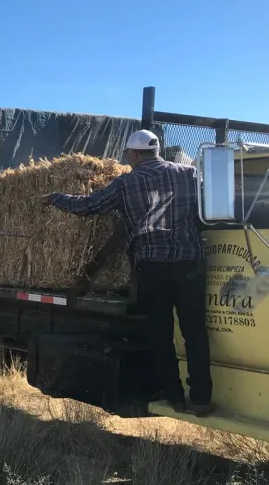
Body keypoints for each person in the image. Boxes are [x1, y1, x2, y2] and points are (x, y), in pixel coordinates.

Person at [42, 129, 214, 417]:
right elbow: (211, 207)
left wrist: (57, 198)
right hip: (189, 265)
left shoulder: (126, 183)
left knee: (160, 334)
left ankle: (174, 396)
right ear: (156, 151)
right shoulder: (189, 174)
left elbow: (89, 206)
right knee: (195, 332)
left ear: (133, 154)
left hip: (151, 267)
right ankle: (201, 399)